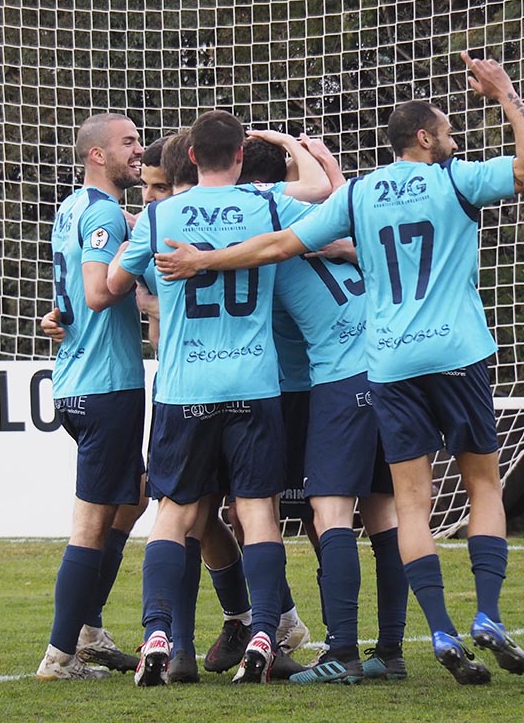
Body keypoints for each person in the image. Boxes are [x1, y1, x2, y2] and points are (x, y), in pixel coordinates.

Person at [154, 52, 524, 685]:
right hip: (442, 354)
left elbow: (281, 243)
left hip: (365, 371)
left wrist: (203, 262)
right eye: (448, 131)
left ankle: (341, 648)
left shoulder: (338, 205)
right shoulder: (430, 182)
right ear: (425, 138)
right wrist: (504, 91)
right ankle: (415, 641)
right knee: (416, 503)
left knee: (336, 511)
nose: (451, 140)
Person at [107, 110, 318, 686]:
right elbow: (324, 195)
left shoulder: (157, 215)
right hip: (254, 384)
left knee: (175, 515)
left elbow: (113, 289)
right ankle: (263, 633)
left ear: (191, 157)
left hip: (185, 387)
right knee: (256, 512)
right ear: (241, 158)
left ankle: (159, 632)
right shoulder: (268, 205)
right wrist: (288, 150)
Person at [237, 135, 410, 685]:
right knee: (383, 513)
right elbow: (339, 194)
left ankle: (340, 652)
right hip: (392, 367)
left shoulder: (262, 231)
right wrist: (307, 151)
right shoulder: (329, 221)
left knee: (329, 513)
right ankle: (389, 650)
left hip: (340, 378)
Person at [34, 113, 148, 682]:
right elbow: (100, 294)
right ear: (97, 155)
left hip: (77, 378)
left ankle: (89, 628)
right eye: (127, 142)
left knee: (135, 499)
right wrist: (143, 260)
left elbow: (74, 296)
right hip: (105, 384)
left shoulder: (71, 208)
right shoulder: (102, 212)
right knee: (92, 522)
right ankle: (61, 655)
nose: (138, 149)